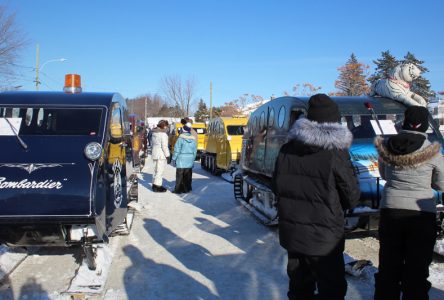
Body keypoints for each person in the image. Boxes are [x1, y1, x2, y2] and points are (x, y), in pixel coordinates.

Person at [271, 94, 360, 300]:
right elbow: (351, 195)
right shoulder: (335, 152)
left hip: (293, 233)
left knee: (299, 287)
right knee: (331, 289)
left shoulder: (286, 149)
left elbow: (277, 186)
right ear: (334, 122)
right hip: (325, 236)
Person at [374, 106, 444, 300]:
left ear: (403, 121)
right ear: (425, 125)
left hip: (391, 209)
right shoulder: (433, 151)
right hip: (420, 215)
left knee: (389, 263)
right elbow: (441, 183)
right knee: (417, 266)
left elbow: (384, 174)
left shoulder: (387, 146)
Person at [171, 122, 197, 194]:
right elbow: (195, 151)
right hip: (190, 159)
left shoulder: (180, 138)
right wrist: (193, 159)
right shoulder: (193, 139)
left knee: (179, 175)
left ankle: (178, 189)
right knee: (188, 175)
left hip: (181, 159)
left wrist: (174, 158)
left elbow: (177, 149)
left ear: (183, 130)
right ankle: (187, 188)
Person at [150, 120, 170, 192]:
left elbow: (152, 144)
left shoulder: (154, 133)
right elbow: (164, 146)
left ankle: (154, 184)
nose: (167, 128)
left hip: (155, 153)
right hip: (161, 155)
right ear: (164, 126)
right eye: (167, 126)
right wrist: (167, 156)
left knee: (155, 170)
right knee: (159, 171)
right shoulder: (163, 135)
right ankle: (158, 186)